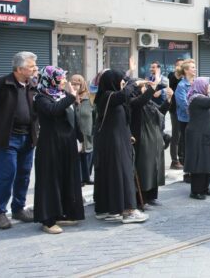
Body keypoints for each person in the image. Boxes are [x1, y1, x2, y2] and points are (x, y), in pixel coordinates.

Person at [0, 51, 39, 230]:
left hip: (28, 137)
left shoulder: (32, 84)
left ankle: (18, 208)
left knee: (24, 175)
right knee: (7, 175)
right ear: (19, 68)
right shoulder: (1, 84)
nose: (34, 69)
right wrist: (0, 124)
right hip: (7, 139)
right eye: (31, 66)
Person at [32, 66, 85, 234]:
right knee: (51, 181)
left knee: (67, 178)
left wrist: (80, 138)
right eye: (61, 78)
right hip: (50, 145)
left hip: (67, 145)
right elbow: (53, 111)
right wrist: (70, 96)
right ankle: (48, 220)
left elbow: (73, 119)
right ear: (51, 79)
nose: (65, 81)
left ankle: (64, 212)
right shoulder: (41, 98)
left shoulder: (62, 96)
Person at [93, 70, 148, 224]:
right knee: (122, 173)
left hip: (115, 140)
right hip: (114, 143)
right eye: (120, 80)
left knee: (111, 175)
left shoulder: (111, 97)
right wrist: (134, 83)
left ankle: (108, 209)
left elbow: (126, 103)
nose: (122, 83)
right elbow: (124, 94)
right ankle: (128, 210)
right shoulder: (108, 96)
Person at [184, 76, 210, 200]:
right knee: (199, 163)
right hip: (198, 136)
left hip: (207, 135)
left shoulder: (203, 98)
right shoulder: (196, 99)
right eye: (208, 85)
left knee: (208, 162)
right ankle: (196, 191)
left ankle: (204, 188)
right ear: (201, 86)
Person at [131, 78, 171, 207]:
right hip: (143, 140)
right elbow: (140, 101)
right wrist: (152, 88)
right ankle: (142, 198)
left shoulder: (149, 102)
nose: (145, 88)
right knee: (144, 170)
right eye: (143, 87)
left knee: (155, 169)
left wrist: (169, 99)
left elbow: (161, 111)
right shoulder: (135, 102)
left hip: (155, 140)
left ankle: (152, 196)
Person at [175, 59, 197, 181]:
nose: (195, 69)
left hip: (196, 118)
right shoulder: (181, 85)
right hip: (186, 119)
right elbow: (183, 104)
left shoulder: (196, 82)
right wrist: (196, 110)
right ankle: (187, 173)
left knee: (195, 146)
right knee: (187, 146)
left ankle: (194, 170)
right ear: (186, 70)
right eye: (193, 67)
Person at [70, 74, 94, 186]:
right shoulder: (69, 97)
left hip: (88, 131)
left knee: (87, 155)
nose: (75, 86)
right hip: (74, 132)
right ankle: (78, 179)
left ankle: (86, 177)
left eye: (77, 83)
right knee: (77, 156)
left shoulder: (90, 97)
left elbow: (95, 113)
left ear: (82, 84)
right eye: (73, 83)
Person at [168, 58, 184, 170]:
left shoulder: (185, 78)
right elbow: (174, 79)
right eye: (179, 66)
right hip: (175, 109)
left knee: (183, 135)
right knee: (176, 135)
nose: (181, 68)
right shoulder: (171, 75)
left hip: (184, 109)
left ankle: (182, 158)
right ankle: (174, 160)